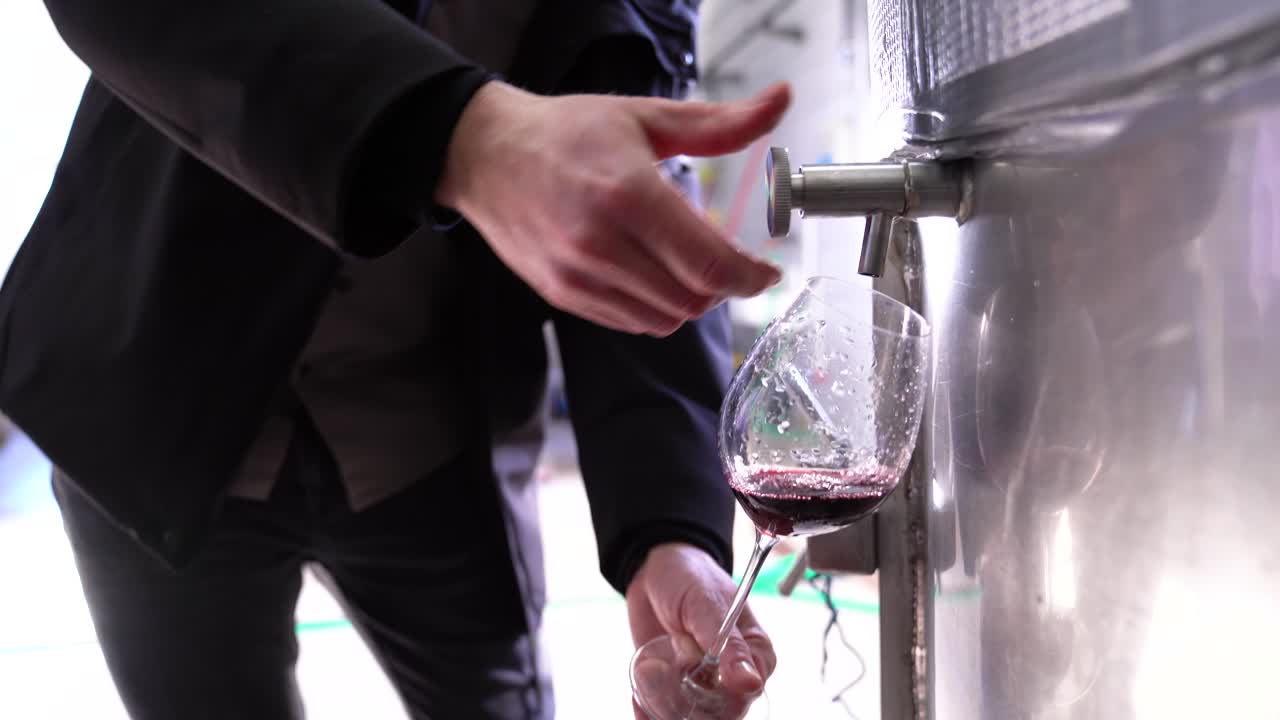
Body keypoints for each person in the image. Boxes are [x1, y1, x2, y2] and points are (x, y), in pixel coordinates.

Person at [0, 1, 789, 718]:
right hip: (159, 400)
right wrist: (465, 134)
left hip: (434, 436)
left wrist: (670, 531)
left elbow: (629, 186)